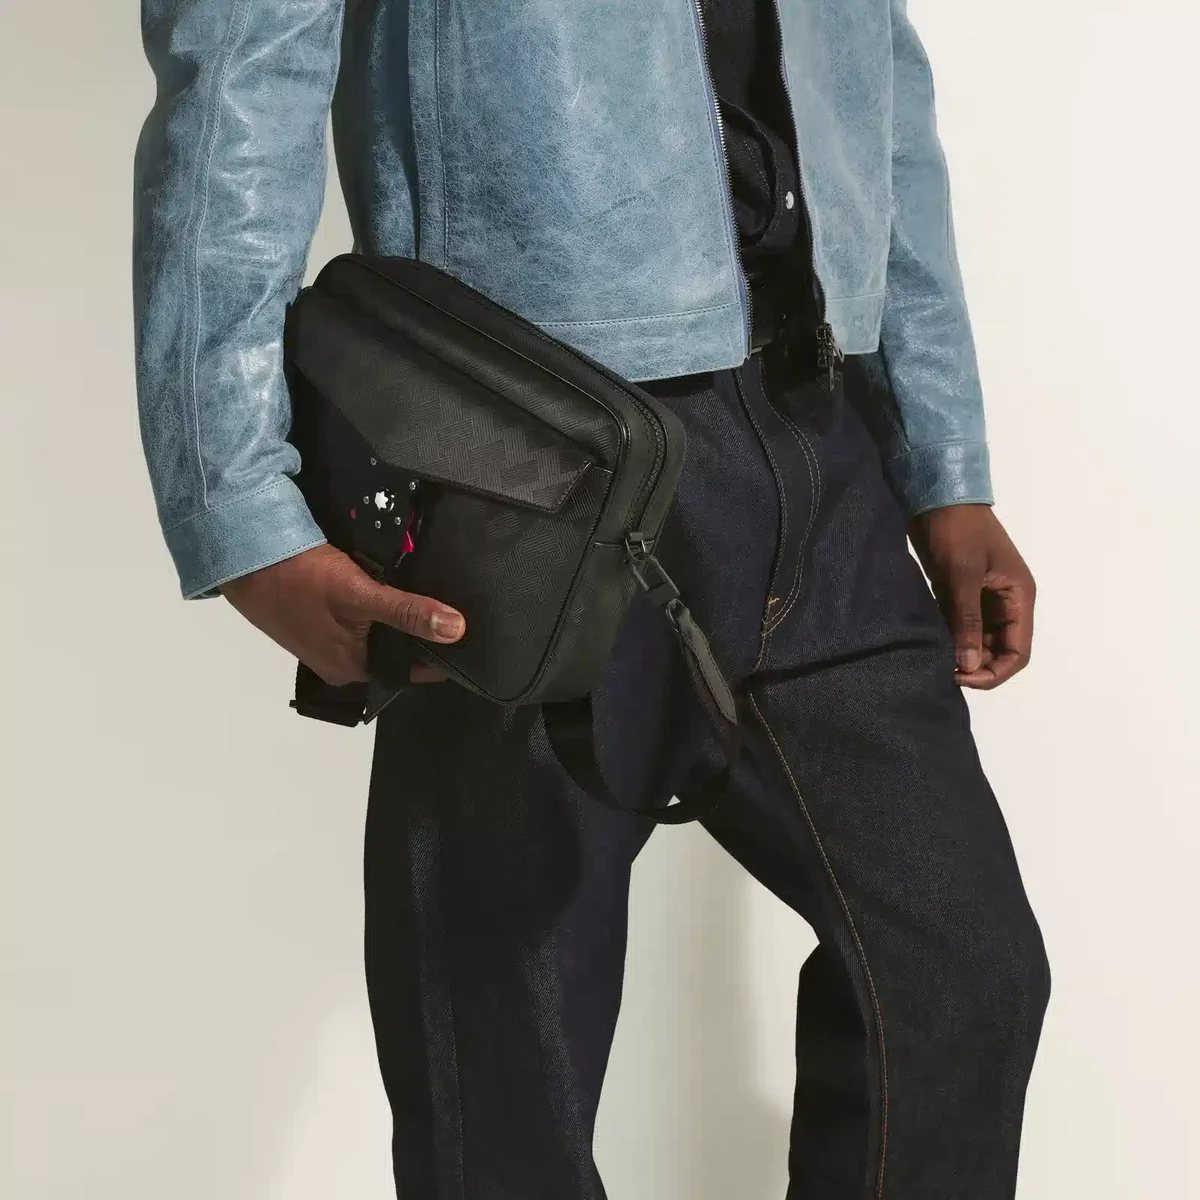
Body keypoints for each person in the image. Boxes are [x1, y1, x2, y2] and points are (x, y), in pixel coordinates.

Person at [133, 0, 1049, 1196]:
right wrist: (240, 506)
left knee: (962, 977)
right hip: (527, 445)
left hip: (817, 425)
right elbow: (238, 89)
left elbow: (882, 81)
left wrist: (944, 464)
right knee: (508, 1078)